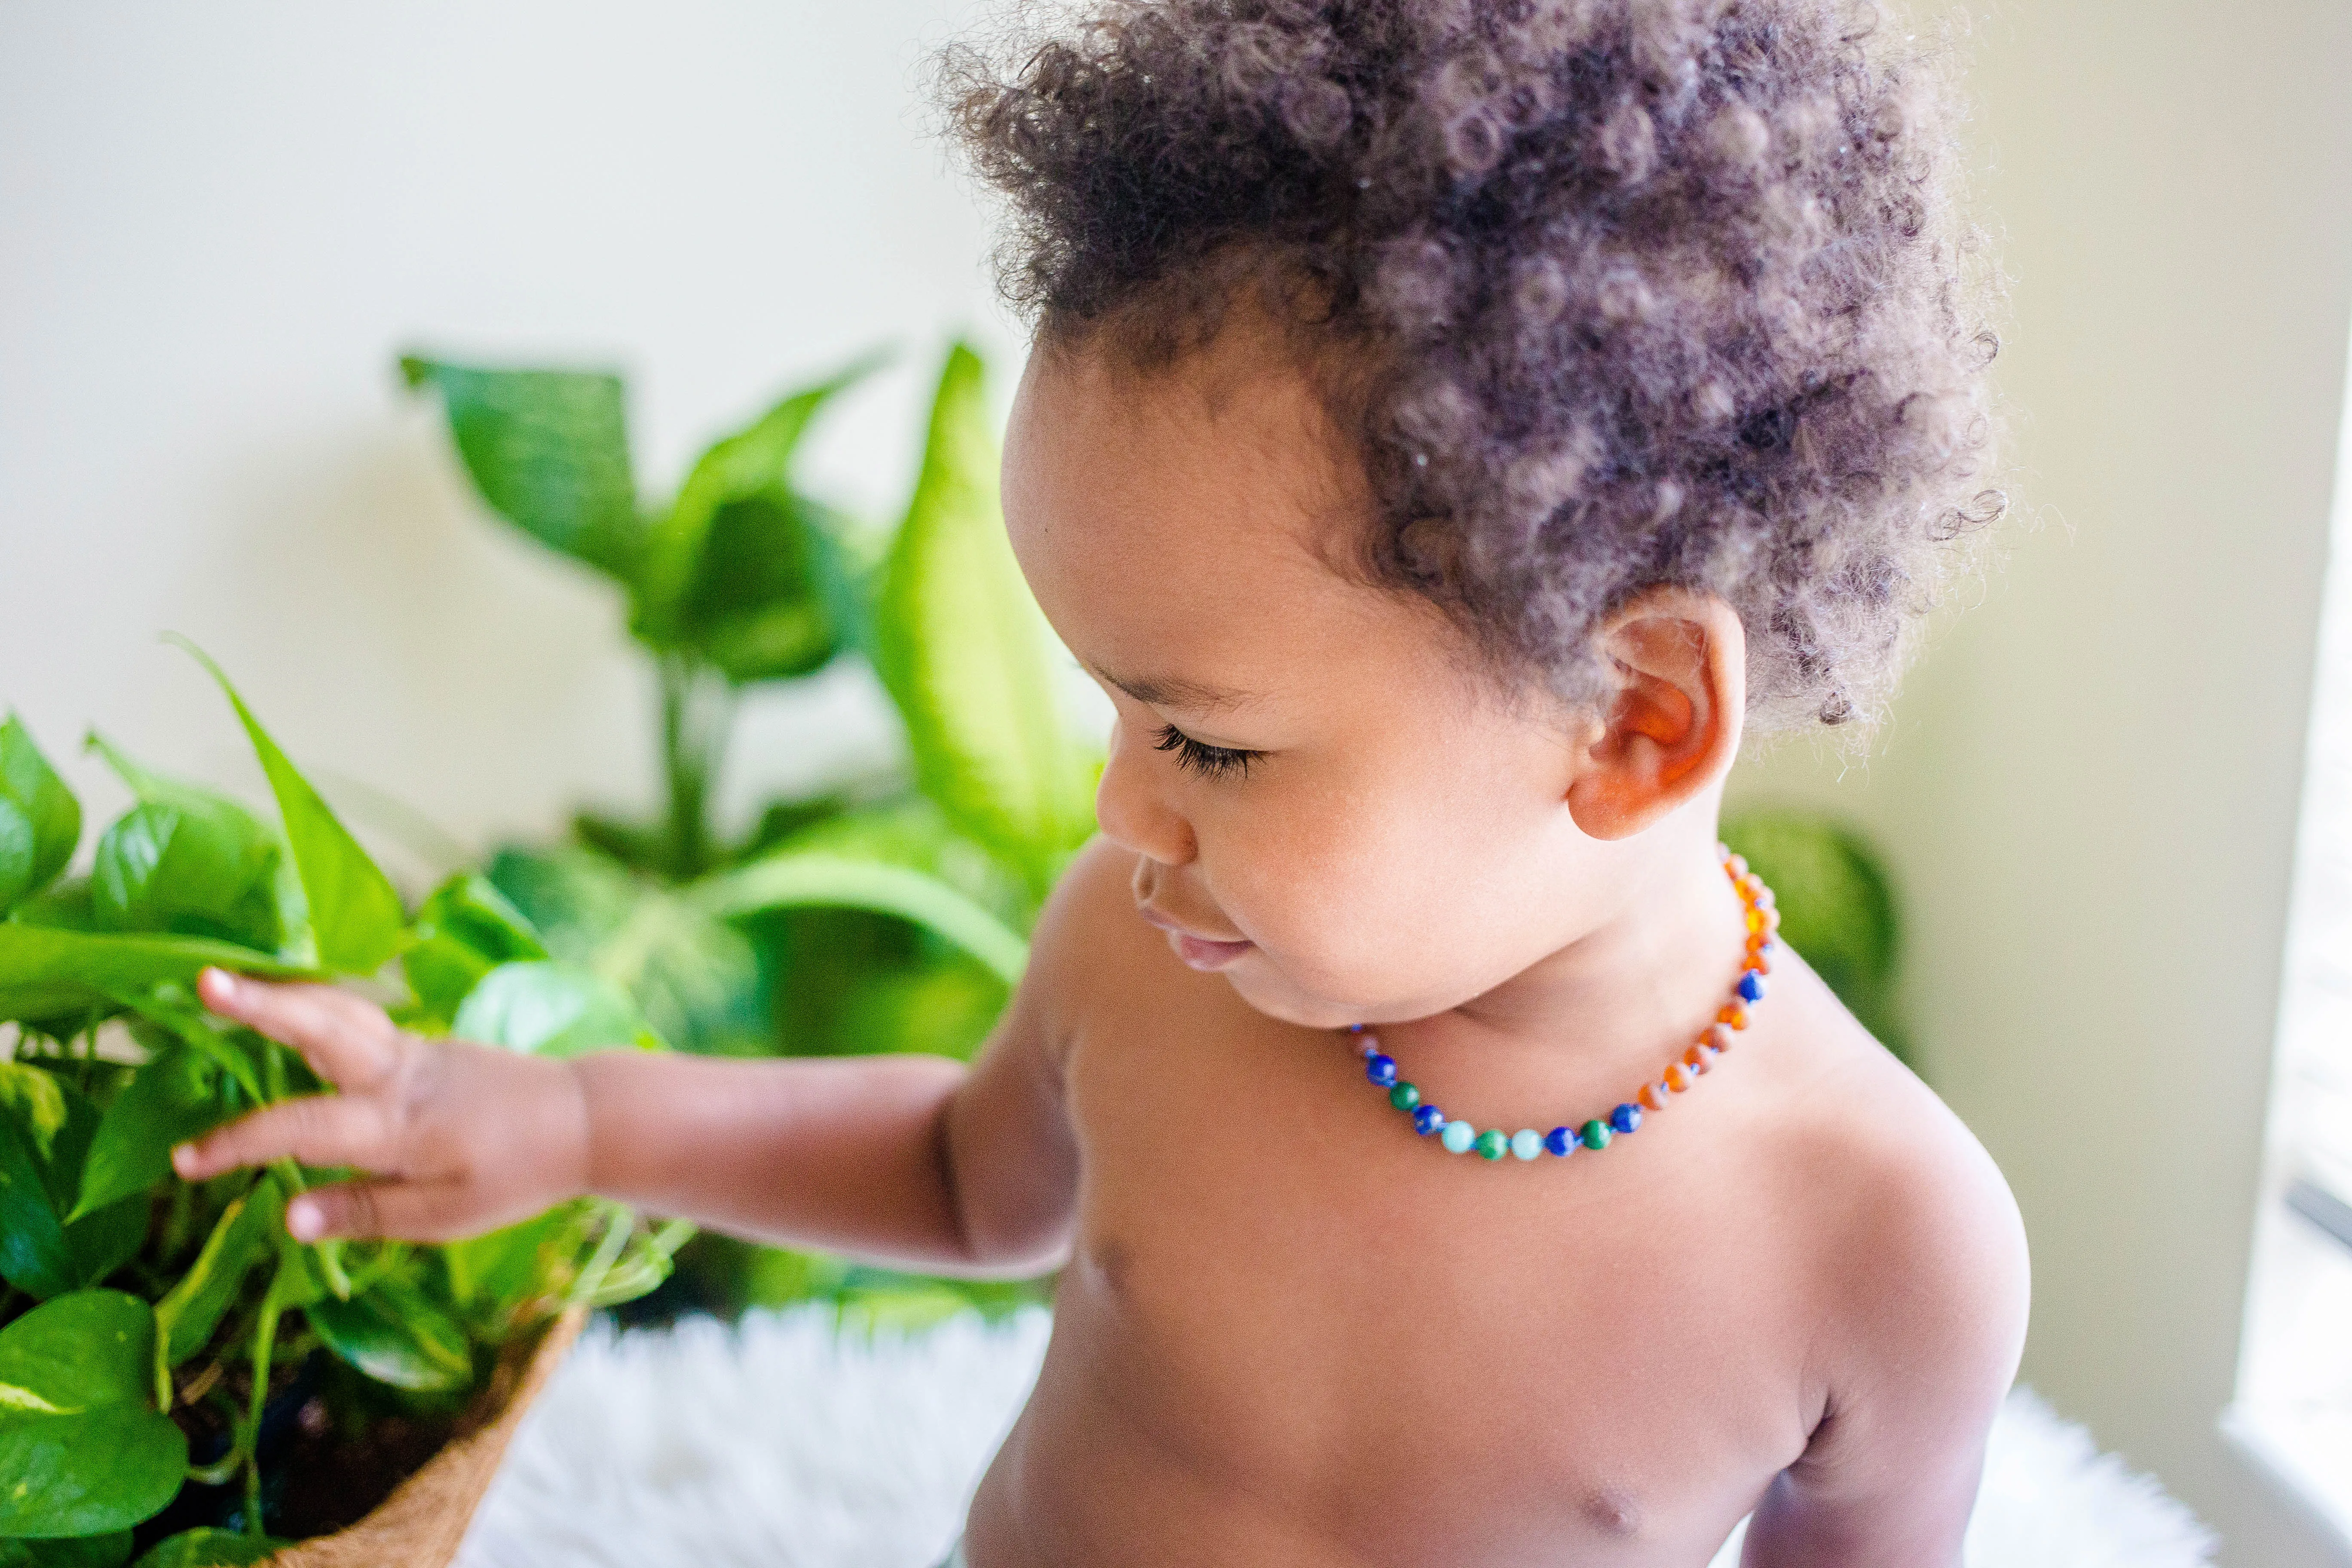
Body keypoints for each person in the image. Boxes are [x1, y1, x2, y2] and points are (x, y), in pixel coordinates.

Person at [174, 1, 2027, 1562]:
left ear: (1634, 724)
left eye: (1206, 740)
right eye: (1113, 718)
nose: (1114, 818)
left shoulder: (1882, 1241)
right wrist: (578, 1123)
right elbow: (966, 1179)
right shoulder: (1156, 963)